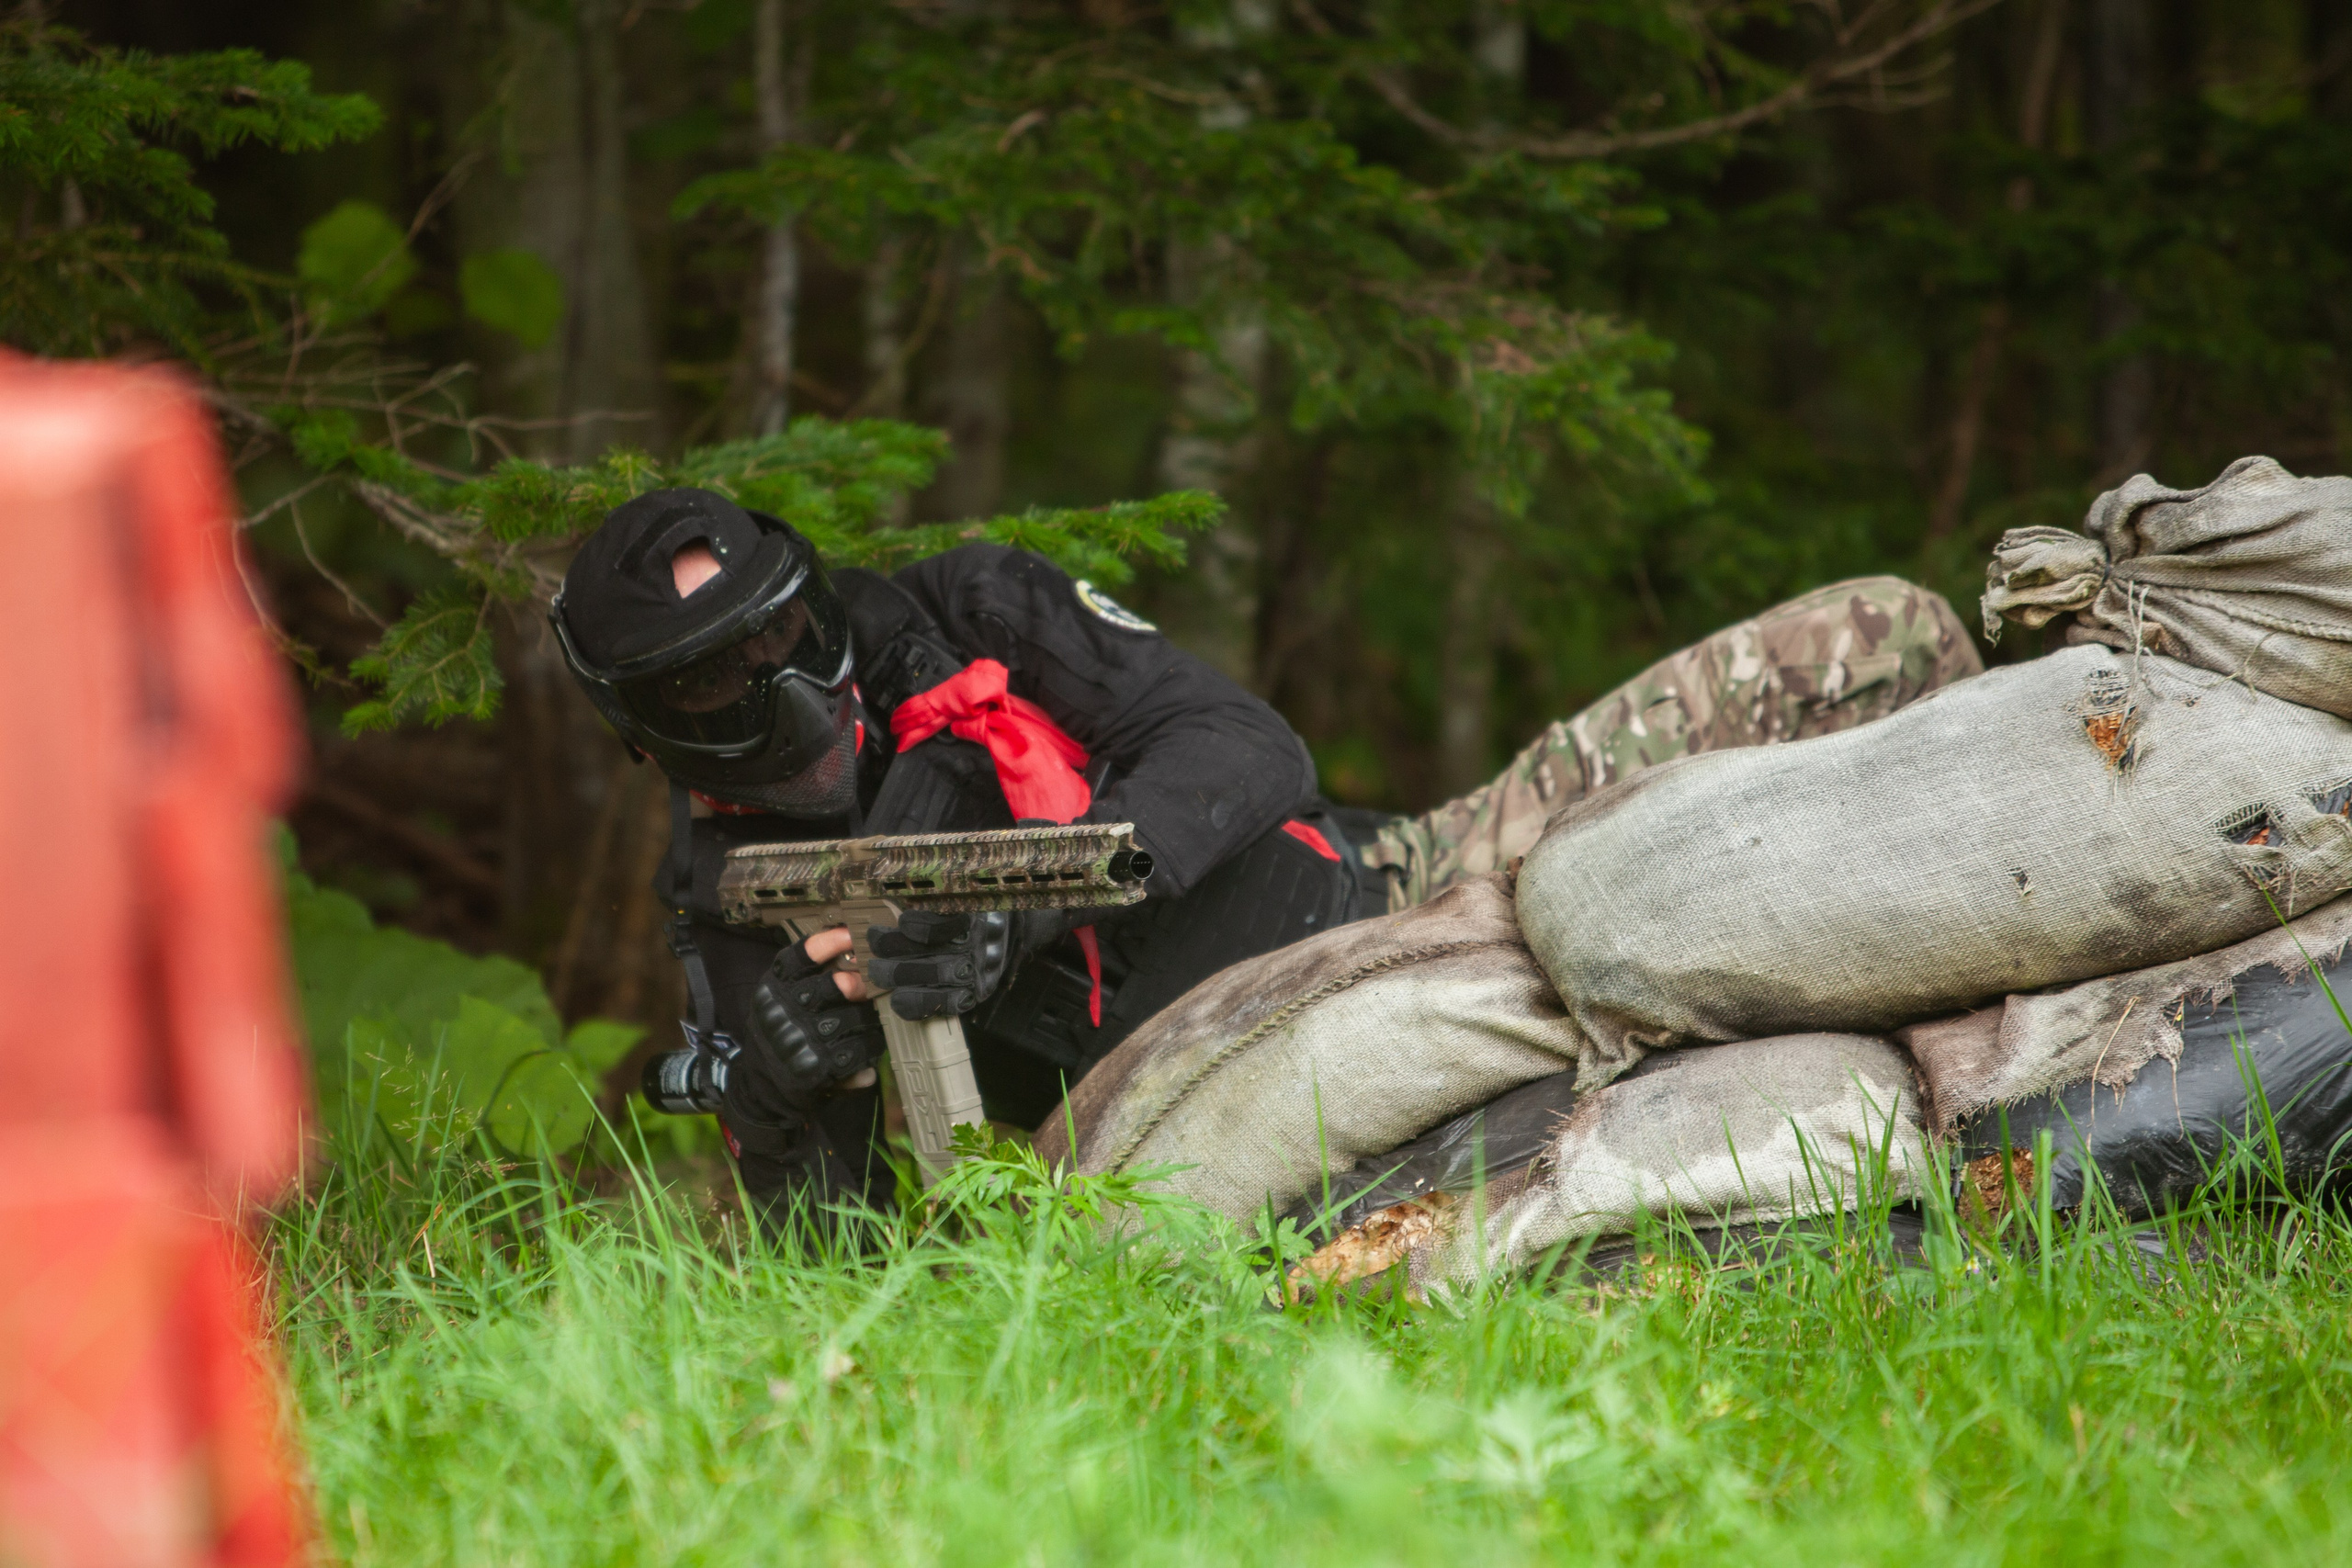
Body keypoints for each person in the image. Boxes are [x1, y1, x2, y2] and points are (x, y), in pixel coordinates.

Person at [553, 487, 1983, 1215]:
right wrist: (804, 1099)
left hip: (1399, 887)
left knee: (1880, 632)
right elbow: (840, 1273)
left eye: (783, 638)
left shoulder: (969, 611)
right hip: (1207, 1111)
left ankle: (2017, 965)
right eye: (710, 680)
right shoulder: (733, 904)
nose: (780, 689)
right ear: (646, 719)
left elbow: (1241, 750)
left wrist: (1015, 914)